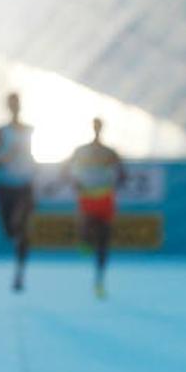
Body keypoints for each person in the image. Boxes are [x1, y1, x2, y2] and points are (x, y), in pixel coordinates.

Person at [63, 118, 125, 300]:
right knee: (87, 230)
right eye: (95, 126)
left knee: (104, 241)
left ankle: (99, 280)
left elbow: (122, 173)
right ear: (92, 127)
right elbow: (65, 169)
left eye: (99, 126)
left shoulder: (110, 152)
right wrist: (76, 183)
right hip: (88, 197)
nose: (97, 129)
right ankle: (84, 240)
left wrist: (114, 184)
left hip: (105, 198)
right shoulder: (81, 151)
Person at [0, 93, 35, 292]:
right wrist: (4, 158)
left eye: (17, 103)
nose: (15, 107)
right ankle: (16, 243)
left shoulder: (30, 130)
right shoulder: (0, 132)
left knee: (21, 227)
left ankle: (20, 274)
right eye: (11, 103)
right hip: (5, 186)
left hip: (25, 186)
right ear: (7, 106)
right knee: (10, 230)